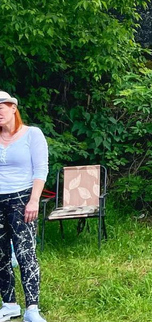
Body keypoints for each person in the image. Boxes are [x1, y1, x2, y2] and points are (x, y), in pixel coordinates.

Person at [0, 91, 49, 322]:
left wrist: (34, 200)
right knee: (0, 256)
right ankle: (9, 305)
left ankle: (32, 309)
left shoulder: (32, 134)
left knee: (25, 254)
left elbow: (41, 170)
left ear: (13, 108)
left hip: (22, 200)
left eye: (3, 106)